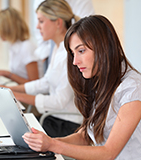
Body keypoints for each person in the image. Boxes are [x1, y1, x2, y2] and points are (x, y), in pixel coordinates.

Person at [22, 15, 141, 160]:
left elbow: (108, 153)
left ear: (103, 46)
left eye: (81, 51)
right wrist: (48, 142)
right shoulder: (101, 80)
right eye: (73, 53)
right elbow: (86, 136)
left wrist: (52, 145)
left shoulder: (133, 88)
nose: (75, 61)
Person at [0, 0, 83, 137]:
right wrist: (10, 90)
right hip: (53, 118)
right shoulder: (57, 48)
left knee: (13, 134)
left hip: (66, 124)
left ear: (58, 23)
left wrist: (17, 96)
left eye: (41, 21)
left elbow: (59, 101)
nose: (37, 27)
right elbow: (45, 82)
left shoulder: (68, 54)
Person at [0, 7, 39, 84]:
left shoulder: (27, 47)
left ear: (8, 28)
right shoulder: (14, 46)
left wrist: (4, 73)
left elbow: (34, 85)